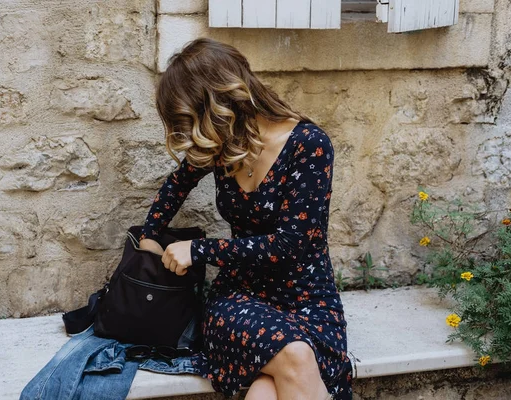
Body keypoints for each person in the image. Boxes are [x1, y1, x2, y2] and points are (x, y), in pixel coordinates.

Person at [137, 37, 353, 400]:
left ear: (215, 105)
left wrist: (199, 250)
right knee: (297, 356)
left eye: (190, 118)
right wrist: (149, 236)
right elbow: (175, 187)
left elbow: (292, 246)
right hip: (240, 300)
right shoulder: (222, 144)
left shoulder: (309, 145)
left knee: (264, 391)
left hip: (307, 301)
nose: (190, 134)